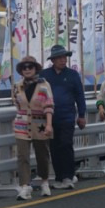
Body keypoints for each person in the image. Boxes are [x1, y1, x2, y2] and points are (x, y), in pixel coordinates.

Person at [40, 45, 86, 190]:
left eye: (64, 57)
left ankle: (68, 176)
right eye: (59, 57)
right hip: (49, 118)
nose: (62, 60)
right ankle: (59, 177)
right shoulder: (44, 75)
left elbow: (79, 95)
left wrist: (82, 115)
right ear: (52, 60)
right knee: (54, 148)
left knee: (66, 144)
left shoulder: (72, 75)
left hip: (67, 116)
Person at [12, 56, 54, 200]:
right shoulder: (17, 86)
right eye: (24, 67)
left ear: (36, 69)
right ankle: (25, 186)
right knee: (22, 156)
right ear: (21, 71)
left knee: (42, 155)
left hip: (40, 124)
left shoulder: (44, 85)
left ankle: (44, 181)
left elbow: (49, 106)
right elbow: (17, 104)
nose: (27, 69)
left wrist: (49, 124)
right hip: (21, 125)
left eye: (30, 67)